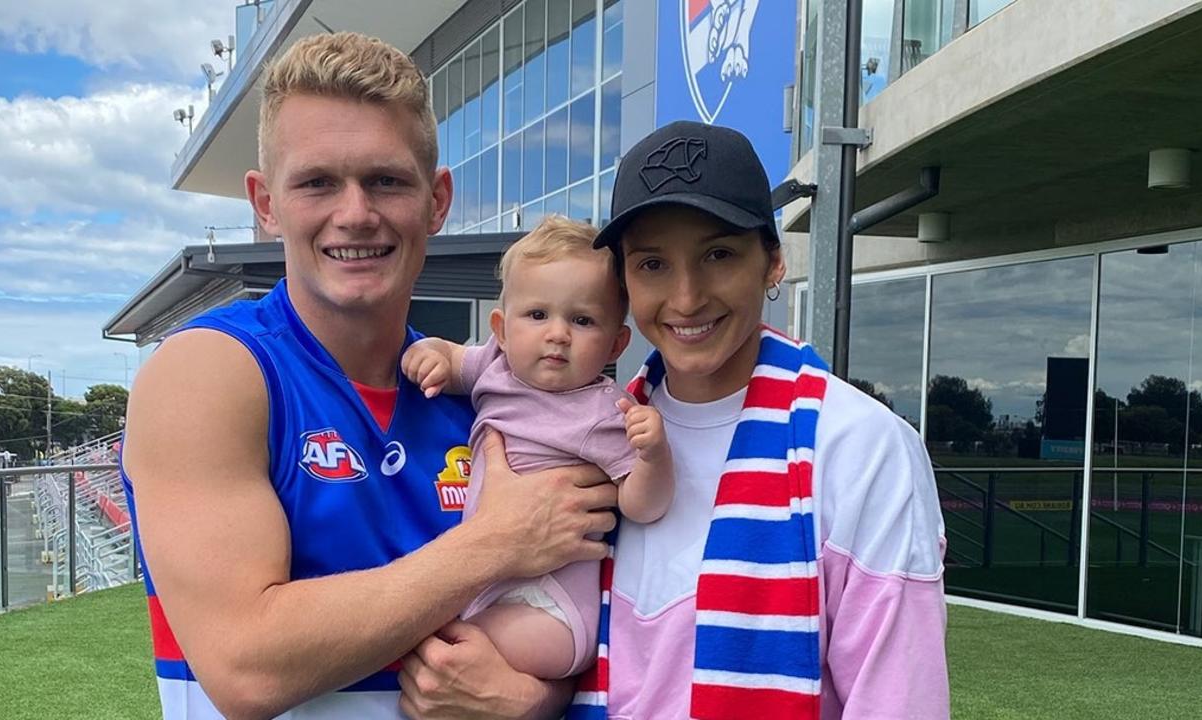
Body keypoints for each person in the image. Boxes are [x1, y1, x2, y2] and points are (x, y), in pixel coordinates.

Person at [121, 32, 617, 719]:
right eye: (318, 181)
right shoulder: (210, 371)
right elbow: (245, 665)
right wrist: (494, 543)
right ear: (265, 204)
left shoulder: (482, 397)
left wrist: (528, 700)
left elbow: (576, 620)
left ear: (437, 200)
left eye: (385, 180)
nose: (355, 213)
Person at [564, 120, 951, 719]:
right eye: (652, 265)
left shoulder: (862, 445)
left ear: (773, 261)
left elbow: (899, 701)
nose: (687, 298)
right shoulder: (592, 438)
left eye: (718, 254)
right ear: (623, 283)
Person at [401, 216, 675, 681]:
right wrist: (428, 354)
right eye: (537, 314)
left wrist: (654, 456)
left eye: (583, 320)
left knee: (430, 644)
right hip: (492, 582)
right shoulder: (495, 364)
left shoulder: (605, 412)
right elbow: (453, 360)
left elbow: (644, 504)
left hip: (548, 608)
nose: (558, 334)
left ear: (616, 342)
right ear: (502, 329)